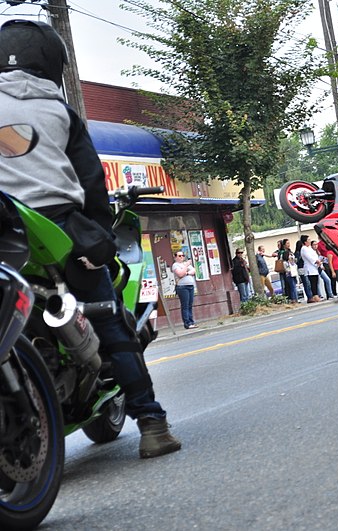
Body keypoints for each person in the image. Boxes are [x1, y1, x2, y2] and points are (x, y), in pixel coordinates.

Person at [0, 19, 180, 458]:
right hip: (59, 228)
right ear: (50, 63)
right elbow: (92, 184)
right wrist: (98, 242)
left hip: (4, 230)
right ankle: (152, 423)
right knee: (110, 326)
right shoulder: (60, 112)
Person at [172, 251, 197, 329]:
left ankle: (191, 321)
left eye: (183, 255)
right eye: (179, 256)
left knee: (190, 305)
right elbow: (180, 274)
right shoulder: (175, 265)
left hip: (190, 286)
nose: (182, 257)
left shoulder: (185, 264)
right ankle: (187, 323)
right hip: (182, 287)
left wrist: (186, 272)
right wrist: (186, 266)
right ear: (175, 257)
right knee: (185, 305)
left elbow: (193, 271)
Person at [300, 237, 321, 303]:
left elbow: (314, 255)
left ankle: (316, 295)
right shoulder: (304, 249)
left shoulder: (309, 248)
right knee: (312, 282)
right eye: (308, 240)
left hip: (314, 267)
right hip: (309, 268)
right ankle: (315, 296)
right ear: (305, 242)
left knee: (316, 281)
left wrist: (318, 261)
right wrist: (316, 261)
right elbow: (309, 257)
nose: (310, 241)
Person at [294, 237, 313, 302]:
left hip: (304, 268)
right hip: (301, 268)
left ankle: (311, 296)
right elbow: (298, 261)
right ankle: (309, 296)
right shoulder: (298, 252)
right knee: (306, 283)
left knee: (308, 283)